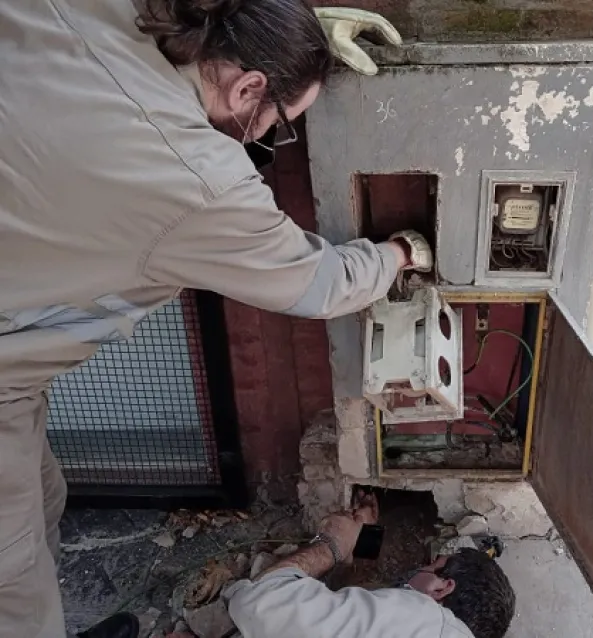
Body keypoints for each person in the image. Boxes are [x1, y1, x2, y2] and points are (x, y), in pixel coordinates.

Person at [0, 1, 430, 637]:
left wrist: (294, 27)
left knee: (42, 498)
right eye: (280, 125)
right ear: (248, 87)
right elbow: (319, 282)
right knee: (12, 575)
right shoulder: (194, 178)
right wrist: (401, 252)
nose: (266, 139)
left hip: (15, 349)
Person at [222, 494, 516, 638]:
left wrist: (333, 544)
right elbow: (363, 607)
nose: (420, 567)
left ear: (442, 587)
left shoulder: (425, 619)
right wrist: (365, 539)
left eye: (431, 564)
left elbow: (259, 604)